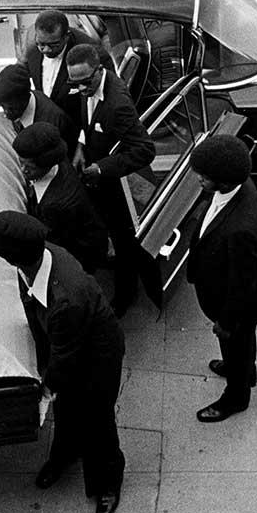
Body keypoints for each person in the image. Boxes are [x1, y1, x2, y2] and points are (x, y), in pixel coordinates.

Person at [0, 211, 125, 513]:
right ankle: (64, 454)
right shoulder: (42, 253)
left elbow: (65, 357)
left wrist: (44, 389)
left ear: (14, 259)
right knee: (68, 410)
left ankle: (108, 481)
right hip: (73, 344)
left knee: (97, 421)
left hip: (97, 359)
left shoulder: (66, 298)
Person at [66, 42, 158, 313]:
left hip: (118, 181)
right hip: (97, 167)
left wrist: (102, 168)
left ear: (99, 71)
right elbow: (88, 120)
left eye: (84, 83)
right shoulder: (89, 84)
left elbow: (144, 150)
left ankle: (126, 294)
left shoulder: (118, 104)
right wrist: (82, 146)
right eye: (76, 84)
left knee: (123, 238)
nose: (81, 90)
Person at [184, 133, 257, 423]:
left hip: (234, 309)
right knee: (241, 348)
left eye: (204, 177)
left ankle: (236, 397)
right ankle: (245, 369)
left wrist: (226, 322)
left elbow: (243, 284)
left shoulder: (241, 228)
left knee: (235, 343)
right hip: (229, 298)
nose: (199, 180)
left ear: (224, 179)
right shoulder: (239, 185)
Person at [14, 123, 110, 279]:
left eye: (29, 166)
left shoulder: (55, 205)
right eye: (21, 163)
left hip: (79, 253)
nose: (23, 170)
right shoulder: (58, 161)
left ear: (46, 163)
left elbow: (52, 246)